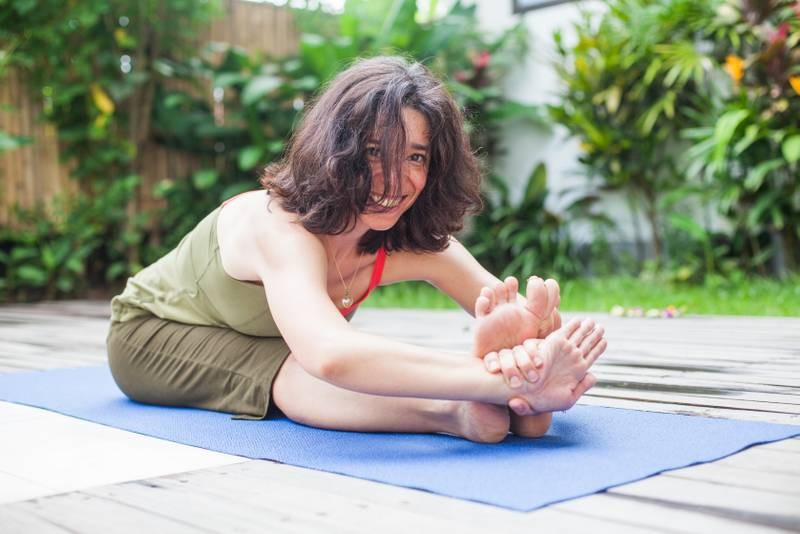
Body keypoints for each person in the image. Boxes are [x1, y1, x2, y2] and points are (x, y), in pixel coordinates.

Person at [107, 56, 607, 443]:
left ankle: (496, 404)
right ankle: (455, 411)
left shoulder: (415, 242)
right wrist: (503, 382)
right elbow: (331, 354)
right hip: (153, 333)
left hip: (291, 345)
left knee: (306, 359)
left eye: (415, 156)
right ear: (335, 150)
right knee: (297, 366)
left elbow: (510, 311)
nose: (395, 178)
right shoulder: (278, 226)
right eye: (374, 152)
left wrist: (535, 344)